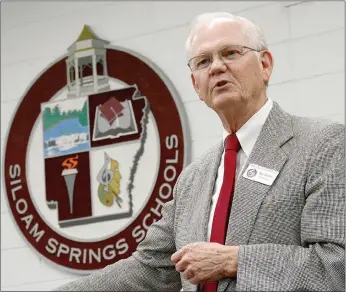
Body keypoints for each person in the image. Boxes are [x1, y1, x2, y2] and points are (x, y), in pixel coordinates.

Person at [54, 12, 345, 291]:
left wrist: (235, 261)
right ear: (196, 84)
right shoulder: (192, 180)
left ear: (265, 65)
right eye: (203, 61)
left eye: (231, 53)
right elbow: (149, 269)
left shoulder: (322, 145)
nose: (216, 67)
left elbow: (337, 268)